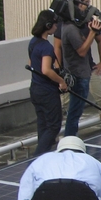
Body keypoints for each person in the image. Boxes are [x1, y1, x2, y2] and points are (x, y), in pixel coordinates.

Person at [54, 0, 101, 131]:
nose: (88, 6)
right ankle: (69, 139)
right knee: (72, 109)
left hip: (88, 69)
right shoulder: (66, 26)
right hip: (72, 74)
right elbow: (60, 48)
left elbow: (100, 41)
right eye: (85, 3)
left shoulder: (87, 22)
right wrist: (59, 72)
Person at [28, 10, 68, 155]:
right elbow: (46, 70)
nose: (57, 26)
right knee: (53, 126)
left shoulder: (33, 42)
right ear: (49, 25)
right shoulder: (46, 47)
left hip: (35, 89)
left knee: (43, 125)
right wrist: (61, 81)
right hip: (47, 91)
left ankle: (42, 157)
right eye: (55, 23)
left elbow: (32, 63)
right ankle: (37, 157)